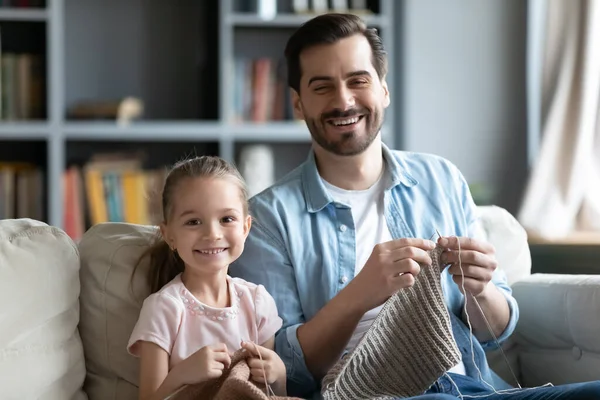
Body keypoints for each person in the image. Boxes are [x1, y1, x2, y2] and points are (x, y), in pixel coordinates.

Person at [229, 12, 600, 400]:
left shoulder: (440, 179)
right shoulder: (268, 220)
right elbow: (287, 372)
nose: (344, 100)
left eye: (358, 81)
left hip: (476, 390)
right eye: (322, 87)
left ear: (384, 90)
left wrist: (482, 289)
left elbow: (495, 333)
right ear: (298, 104)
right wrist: (361, 292)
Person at [126, 156, 287, 400]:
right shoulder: (164, 309)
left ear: (245, 228)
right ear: (169, 234)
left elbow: (270, 394)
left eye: (226, 219)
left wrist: (279, 374)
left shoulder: (258, 302)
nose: (212, 234)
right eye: (193, 222)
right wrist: (182, 373)